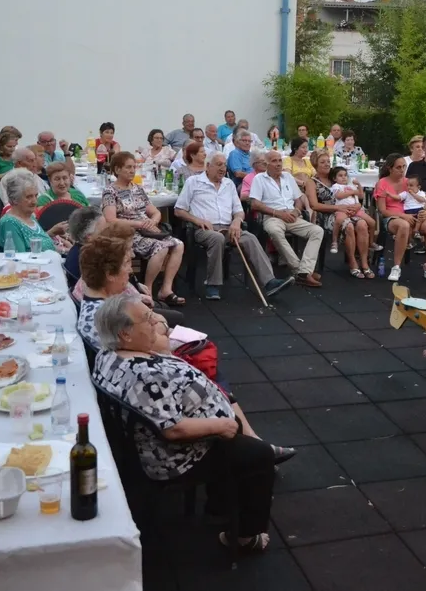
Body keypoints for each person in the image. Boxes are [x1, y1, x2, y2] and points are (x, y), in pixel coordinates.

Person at [91, 294, 277, 552]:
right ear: (125, 334)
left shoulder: (107, 353)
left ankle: (219, 503)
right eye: (146, 320)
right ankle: (246, 537)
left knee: (241, 446)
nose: (154, 324)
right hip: (176, 456)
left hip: (159, 439)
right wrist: (221, 426)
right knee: (260, 456)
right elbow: (173, 429)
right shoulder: (147, 376)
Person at [173, 152, 293, 301]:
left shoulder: (229, 184)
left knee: (250, 238)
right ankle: (213, 285)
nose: (223, 168)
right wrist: (197, 220)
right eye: (219, 165)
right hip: (203, 229)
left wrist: (236, 222)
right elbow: (179, 210)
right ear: (208, 166)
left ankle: (270, 282)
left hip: (228, 228)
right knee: (216, 238)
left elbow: (238, 211)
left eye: (224, 165)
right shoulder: (193, 182)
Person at [101, 151, 185, 306]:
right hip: (127, 233)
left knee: (178, 245)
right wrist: (138, 224)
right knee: (162, 247)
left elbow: (155, 212)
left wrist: (152, 222)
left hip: (146, 229)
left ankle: (166, 289)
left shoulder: (137, 189)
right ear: (117, 169)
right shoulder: (110, 192)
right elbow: (111, 220)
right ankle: (148, 291)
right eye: (128, 167)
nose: (132, 170)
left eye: (134, 167)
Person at [248, 150, 324, 288]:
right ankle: (300, 271)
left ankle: (304, 271)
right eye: (274, 161)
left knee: (317, 231)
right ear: (266, 164)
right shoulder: (259, 179)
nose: (278, 164)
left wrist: (296, 211)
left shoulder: (288, 177)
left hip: (291, 215)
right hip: (272, 216)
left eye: (279, 161)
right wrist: (278, 213)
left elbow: (299, 198)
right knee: (275, 231)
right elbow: (255, 204)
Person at [305, 151, 374, 278]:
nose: (327, 164)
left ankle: (364, 263)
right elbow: (314, 205)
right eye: (322, 162)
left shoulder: (338, 177)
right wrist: (338, 208)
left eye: (328, 162)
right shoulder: (312, 182)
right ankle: (353, 262)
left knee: (363, 224)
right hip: (327, 215)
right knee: (348, 225)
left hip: (350, 210)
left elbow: (355, 195)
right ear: (315, 165)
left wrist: (358, 205)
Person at [376, 154, 426, 282]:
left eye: (404, 166)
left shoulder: (409, 182)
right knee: (403, 225)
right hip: (393, 217)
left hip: (414, 215)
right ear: (390, 168)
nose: (402, 170)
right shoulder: (382, 184)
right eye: (398, 167)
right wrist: (403, 216)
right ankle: (396, 266)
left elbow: (422, 200)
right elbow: (382, 211)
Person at [0, 171, 69, 253]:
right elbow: (20, 258)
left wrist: (66, 251)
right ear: (14, 199)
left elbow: (42, 244)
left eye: (36, 195)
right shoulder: (10, 223)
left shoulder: (30, 217)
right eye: (29, 197)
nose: (34, 201)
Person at [328, 166, 377, 254]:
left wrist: (359, 185)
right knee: (338, 220)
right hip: (343, 209)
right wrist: (353, 192)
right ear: (334, 178)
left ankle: (371, 242)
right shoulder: (336, 186)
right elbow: (339, 196)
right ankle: (334, 241)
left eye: (345, 175)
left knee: (372, 222)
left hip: (355, 209)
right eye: (340, 175)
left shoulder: (351, 186)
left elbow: (361, 196)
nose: (344, 177)